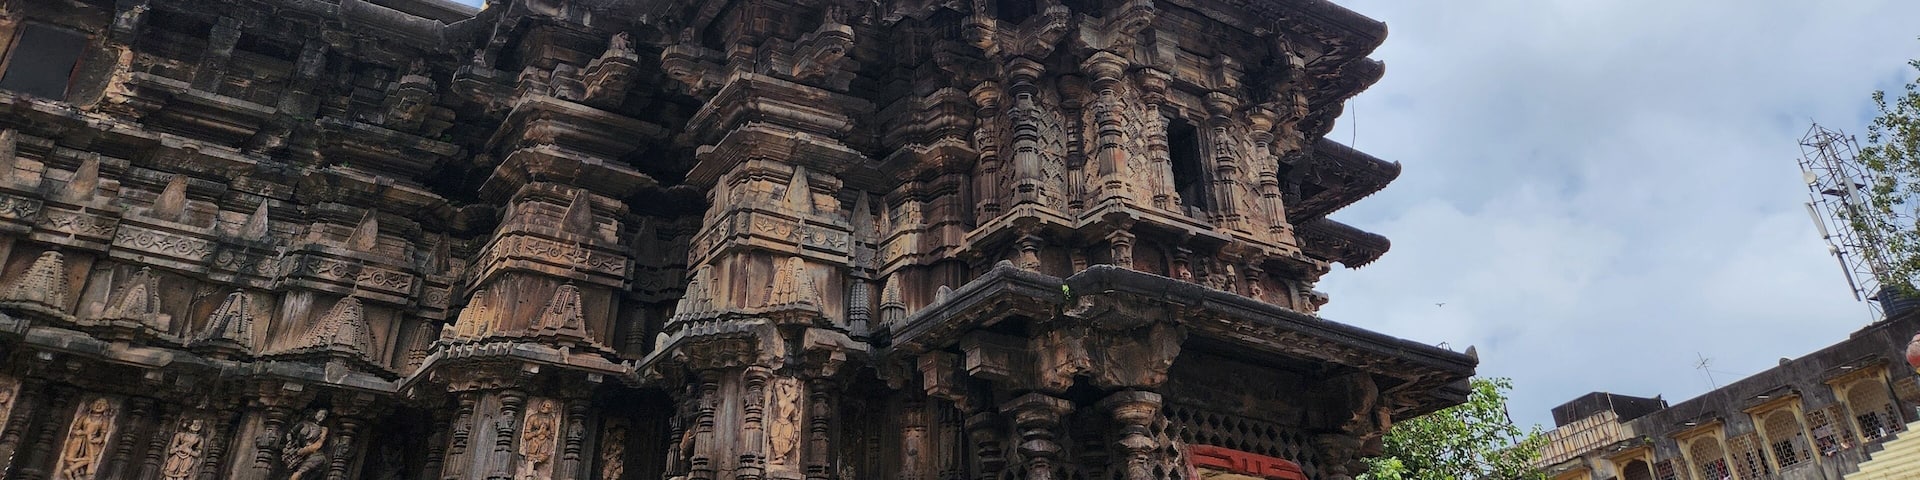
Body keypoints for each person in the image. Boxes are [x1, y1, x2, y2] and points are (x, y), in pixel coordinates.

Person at [282, 409, 330, 480]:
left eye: (324, 415)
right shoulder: (304, 423)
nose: (322, 416)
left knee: (301, 473)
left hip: (313, 454)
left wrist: (308, 449)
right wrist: (289, 442)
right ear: (315, 414)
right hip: (297, 453)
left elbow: (319, 444)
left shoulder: (323, 429)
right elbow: (290, 433)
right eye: (321, 413)